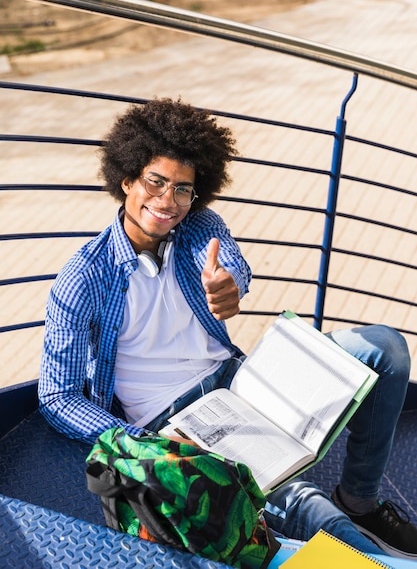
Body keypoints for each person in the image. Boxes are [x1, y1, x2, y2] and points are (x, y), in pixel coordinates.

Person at [39, 97, 417, 560]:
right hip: (171, 420)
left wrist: (229, 288)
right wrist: (141, 442)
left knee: (384, 348)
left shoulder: (200, 226)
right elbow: (57, 397)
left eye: (183, 189)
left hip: (239, 380)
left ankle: (359, 500)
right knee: (308, 508)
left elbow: (230, 267)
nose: (167, 201)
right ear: (127, 179)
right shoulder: (84, 277)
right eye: (155, 182)